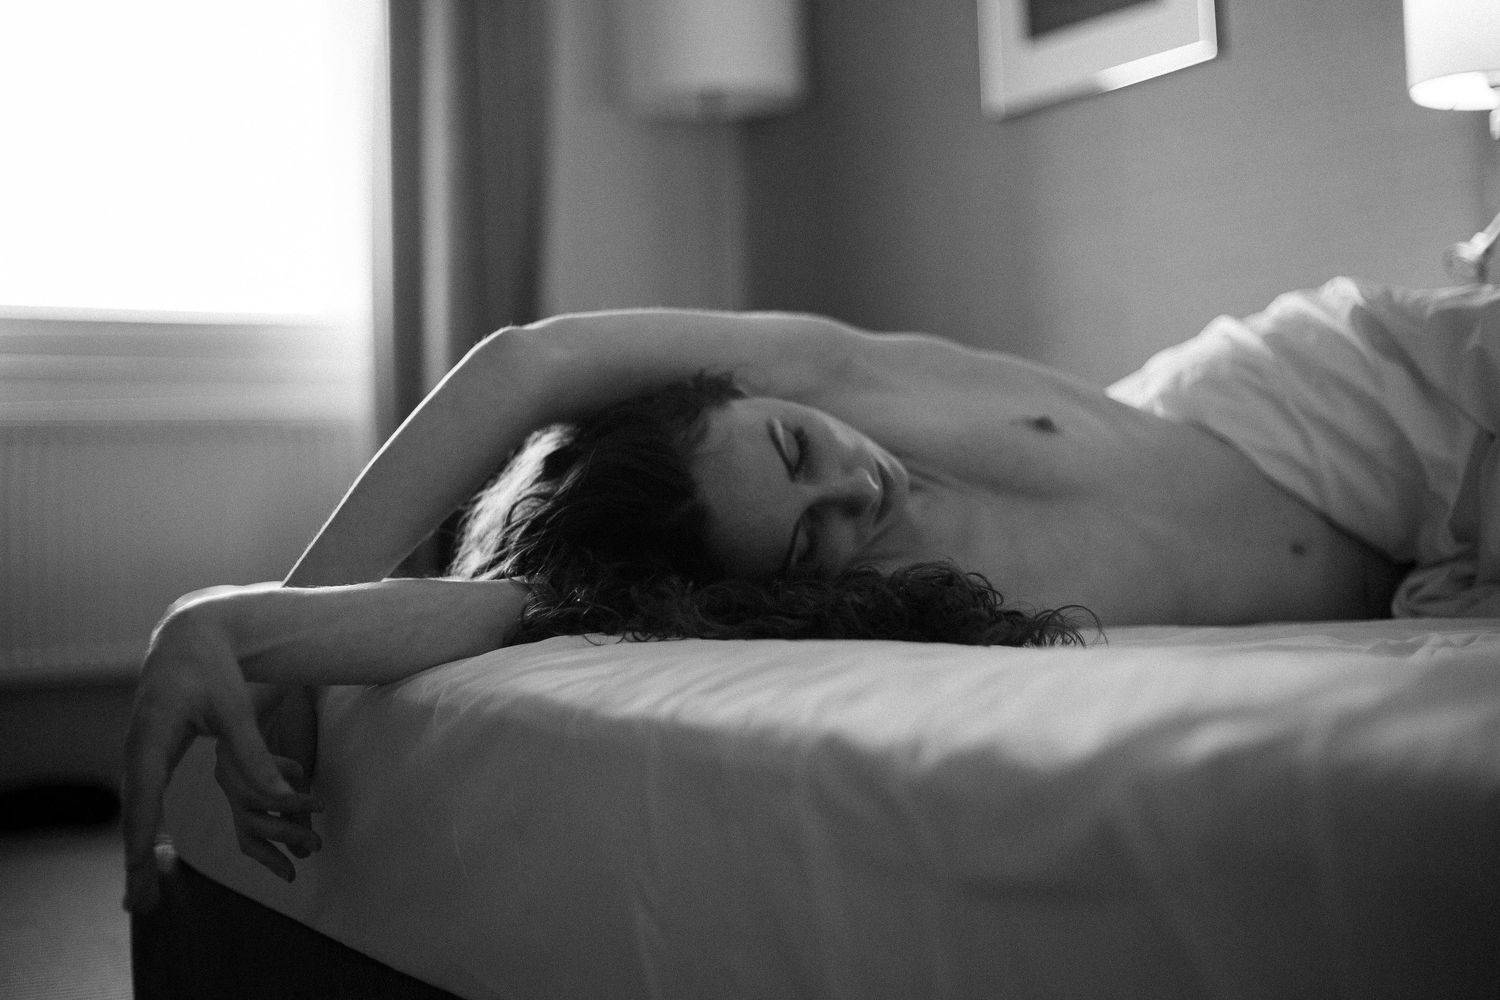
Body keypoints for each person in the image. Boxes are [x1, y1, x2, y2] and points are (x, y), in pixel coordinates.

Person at [122, 277, 1500, 912]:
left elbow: (523, 365)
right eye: (807, 539)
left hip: (1341, 400)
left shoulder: (848, 380)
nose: (856, 491)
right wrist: (257, 636)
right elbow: (538, 609)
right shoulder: (855, 593)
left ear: (764, 392)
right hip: (1400, 553)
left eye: (796, 450)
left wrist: (292, 592)